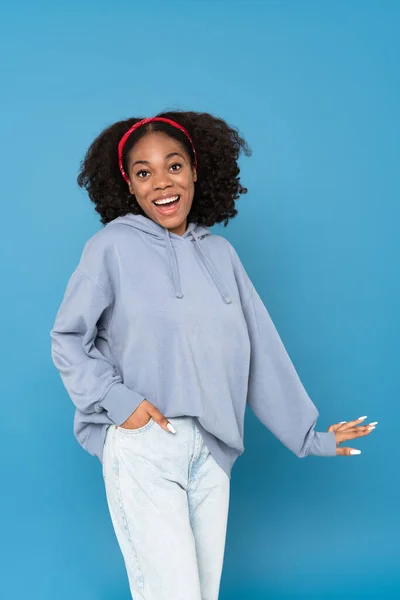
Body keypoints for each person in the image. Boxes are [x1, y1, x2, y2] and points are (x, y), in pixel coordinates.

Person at [50, 110, 377, 600]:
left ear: (196, 170)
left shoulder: (221, 255)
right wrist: (120, 403)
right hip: (146, 445)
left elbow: (261, 352)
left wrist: (309, 436)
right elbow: (68, 338)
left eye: (173, 166)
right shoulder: (111, 247)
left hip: (213, 449)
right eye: (144, 173)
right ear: (130, 186)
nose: (162, 182)